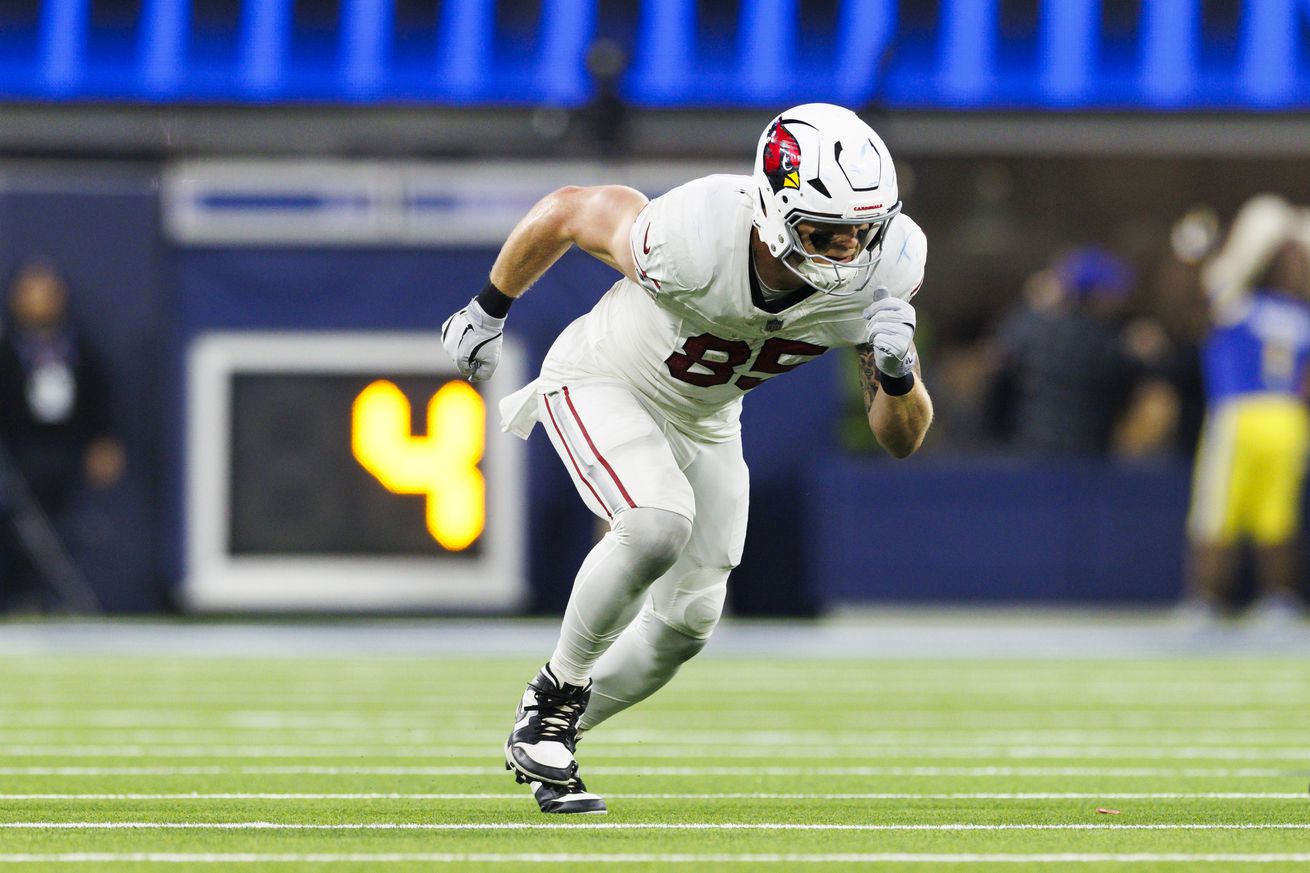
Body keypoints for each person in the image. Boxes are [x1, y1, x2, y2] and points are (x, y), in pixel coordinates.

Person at [440, 103, 932, 814]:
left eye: (863, 231)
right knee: (656, 521)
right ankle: (555, 694)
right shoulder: (695, 233)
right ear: (773, 210)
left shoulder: (888, 268)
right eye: (828, 232)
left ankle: (549, 729)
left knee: (686, 626)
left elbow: (902, 437)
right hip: (604, 377)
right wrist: (488, 308)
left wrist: (896, 373)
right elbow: (571, 211)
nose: (848, 250)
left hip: (706, 418)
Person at [1183, 194, 1310, 625]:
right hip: (1278, 417)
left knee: (1236, 516)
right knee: (1251, 517)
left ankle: (1220, 600)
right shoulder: (1259, 305)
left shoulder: (1248, 303)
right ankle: (1251, 600)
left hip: (1250, 414)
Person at [0, 260, 124, 611]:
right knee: (18, 526)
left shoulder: (80, 346)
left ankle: (51, 598)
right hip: (19, 450)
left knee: (63, 527)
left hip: (65, 449)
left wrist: (104, 439)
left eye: (46, 293)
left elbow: (100, 396)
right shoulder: (7, 347)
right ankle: (15, 598)